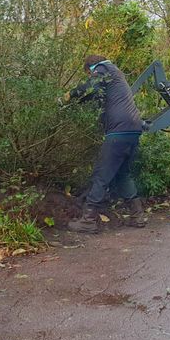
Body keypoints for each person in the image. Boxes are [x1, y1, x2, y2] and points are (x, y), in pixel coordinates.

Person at [63, 55, 146, 233]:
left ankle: (88, 220)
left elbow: (91, 88)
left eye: (88, 74)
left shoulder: (102, 69)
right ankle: (138, 215)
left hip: (119, 131)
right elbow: (96, 93)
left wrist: (70, 95)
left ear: (90, 68)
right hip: (133, 130)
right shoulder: (116, 73)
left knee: (101, 175)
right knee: (123, 174)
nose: (89, 76)